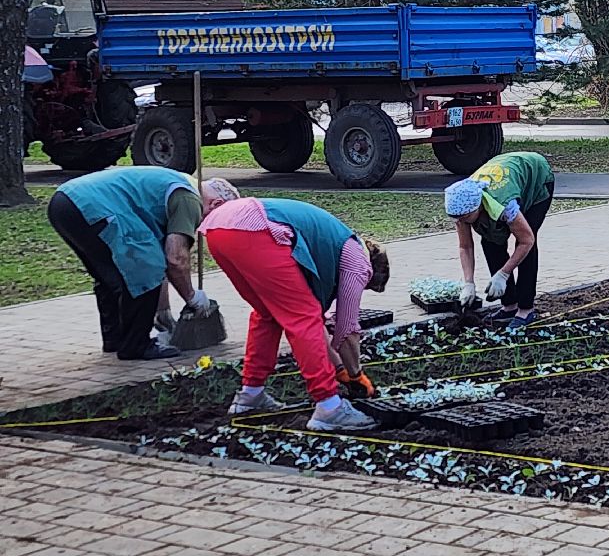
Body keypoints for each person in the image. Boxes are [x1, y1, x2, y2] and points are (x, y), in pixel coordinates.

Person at [199, 183, 389, 431]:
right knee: (303, 317)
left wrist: (339, 369)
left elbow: (321, 329)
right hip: (254, 226)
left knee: (268, 314)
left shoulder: (329, 246)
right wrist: (355, 375)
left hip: (217, 230)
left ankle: (251, 394)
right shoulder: (358, 261)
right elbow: (346, 329)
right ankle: (329, 407)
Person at [47, 166, 212, 360]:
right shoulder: (189, 199)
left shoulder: (174, 184)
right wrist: (192, 298)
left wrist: (163, 312)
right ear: (216, 203)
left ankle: (115, 340)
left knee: (113, 276)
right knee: (143, 266)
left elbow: (162, 263)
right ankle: (136, 345)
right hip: (93, 205)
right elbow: (175, 259)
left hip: (65, 202)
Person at [444, 151, 555, 330]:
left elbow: (527, 240)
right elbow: (465, 247)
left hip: (536, 176)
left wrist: (503, 274)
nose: (461, 221)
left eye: (465, 217)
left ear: (478, 205)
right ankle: (509, 305)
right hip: (507, 173)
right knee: (490, 242)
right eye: (457, 218)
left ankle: (526, 309)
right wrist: (468, 283)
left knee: (526, 244)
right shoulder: (461, 206)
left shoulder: (504, 204)